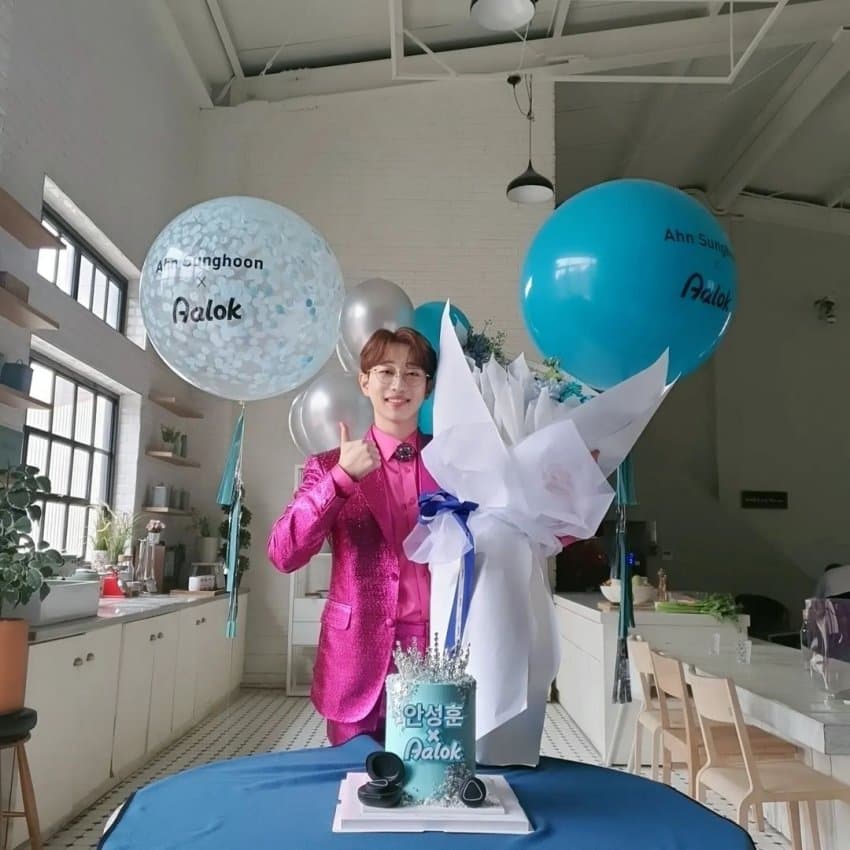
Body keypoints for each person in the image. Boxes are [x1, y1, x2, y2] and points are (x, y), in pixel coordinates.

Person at [267, 327, 440, 746]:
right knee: (355, 779)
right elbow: (283, 553)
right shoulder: (329, 465)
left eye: (413, 373)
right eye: (386, 371)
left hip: (439, 651)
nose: (399, 384)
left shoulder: (454, 461)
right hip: (356, 654)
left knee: (432, 776)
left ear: (428, 386)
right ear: (364, 381)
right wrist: (341, 480)